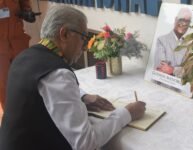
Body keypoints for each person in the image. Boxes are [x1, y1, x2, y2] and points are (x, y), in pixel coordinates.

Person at [0, 5, 146, 150]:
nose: (84, 48)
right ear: (64, 34)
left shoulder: (26, 55)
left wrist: (84, 96)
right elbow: (86, 143)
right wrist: (127, 113)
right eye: (83, 38)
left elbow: (48, 93)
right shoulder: (57, 73)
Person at [0, 0, 37, 116]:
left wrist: (28, 14)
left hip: (18, 42)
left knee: (25, 79)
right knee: (3, 84)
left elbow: (25, 6)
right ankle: (10, 117)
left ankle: (27, 113)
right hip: (1, 46)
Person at [154, 7, 192, 77]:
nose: (184, 24)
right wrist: (181, 70)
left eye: (187, 21)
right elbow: (160, 68)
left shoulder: (190, 45)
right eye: (181, 19)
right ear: (176, 20)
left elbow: (190, 71)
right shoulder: (161, 40)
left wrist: (173, 70)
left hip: (181, 86)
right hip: (162, 85)